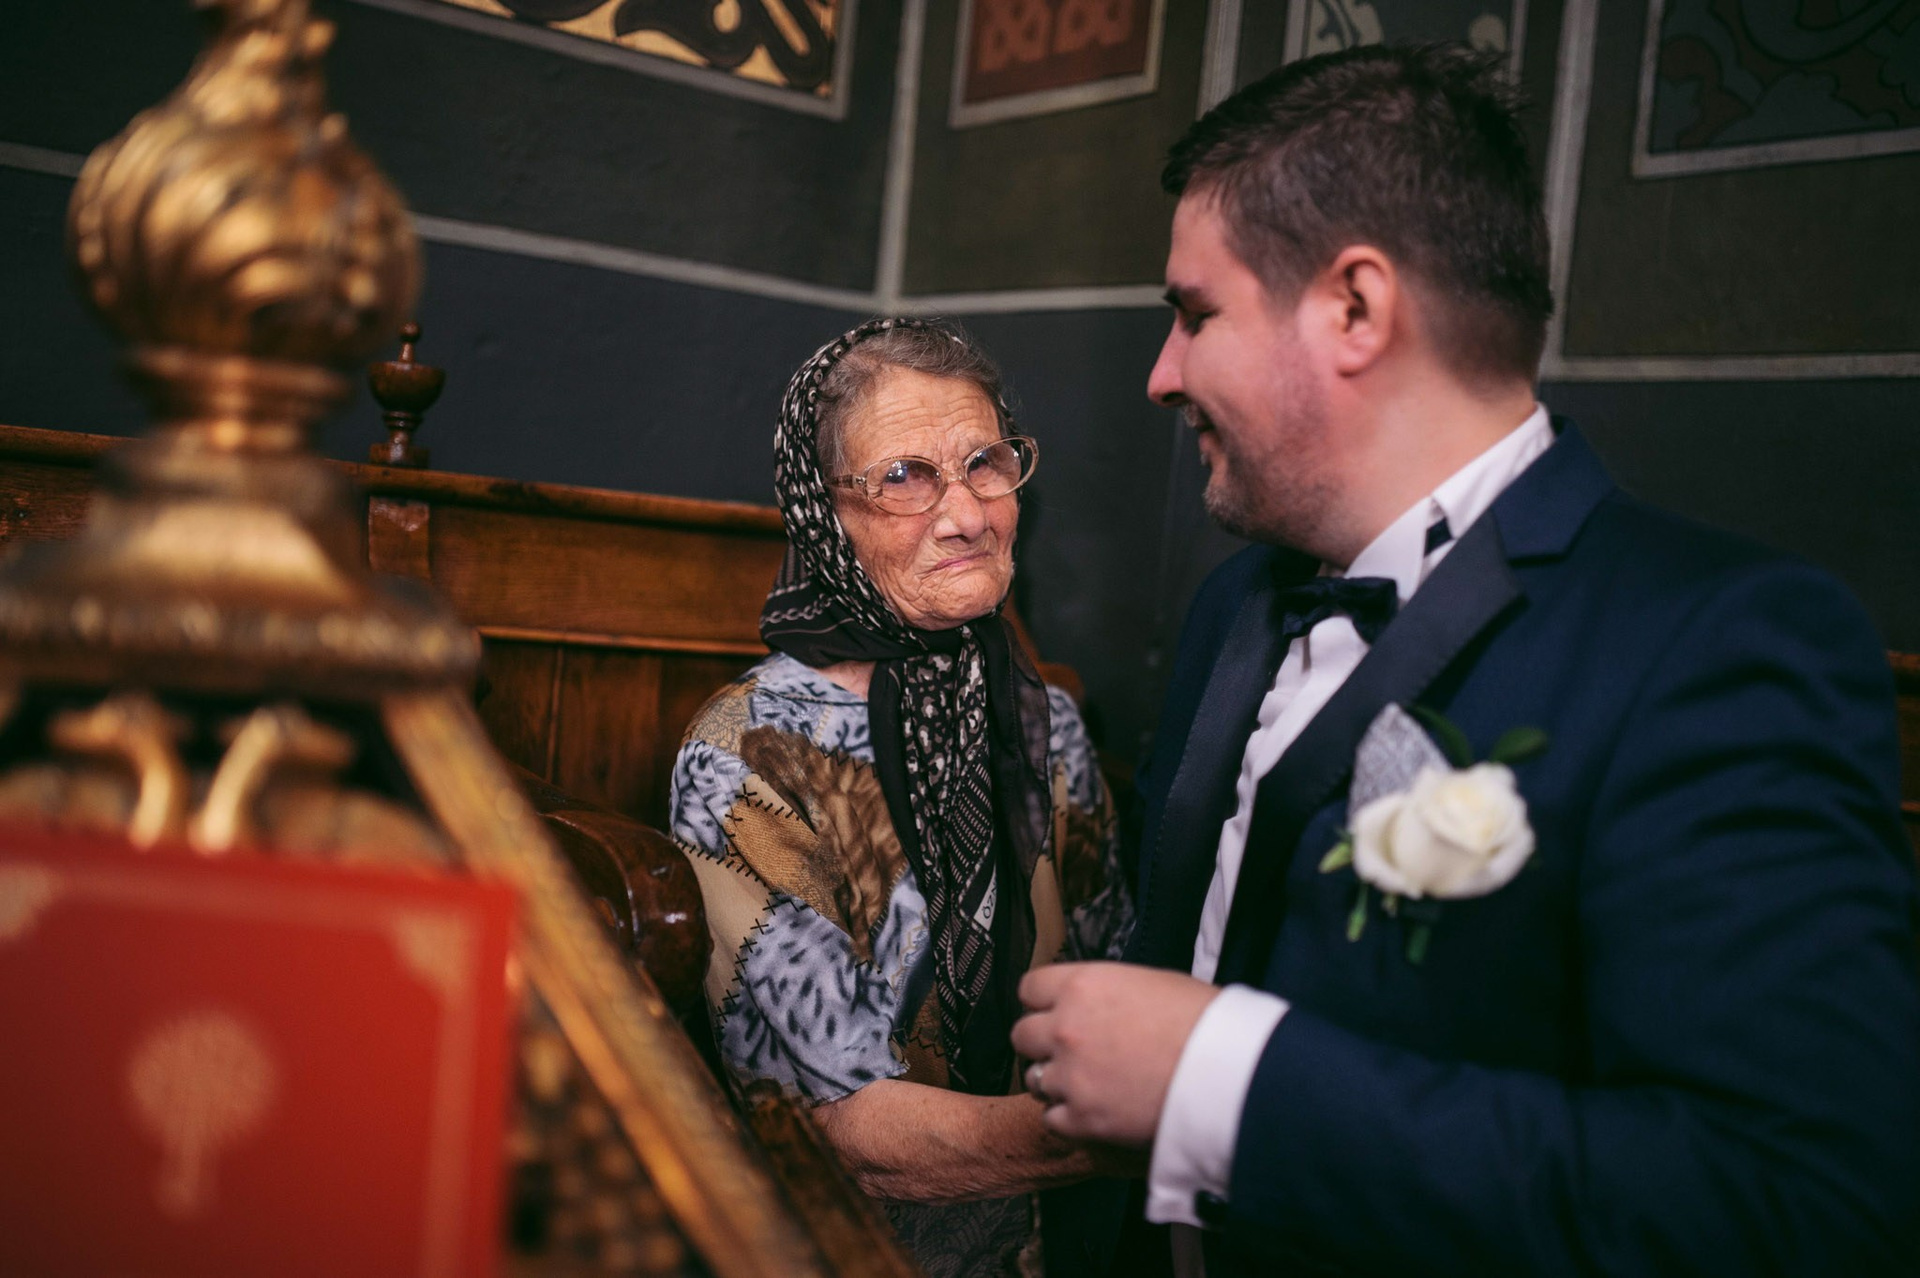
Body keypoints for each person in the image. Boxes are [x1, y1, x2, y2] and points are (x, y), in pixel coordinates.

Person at [1012, 44, 1920, 1276]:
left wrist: (1228, 1084)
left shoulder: (1718, 648)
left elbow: (1800, 1207)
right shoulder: (1237, 604)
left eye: (1195, 313)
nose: (1163, 376)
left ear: (1355, 308)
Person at [671, 317, 1136, 1276]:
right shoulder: (747, 758)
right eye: (903, 477)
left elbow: (1113, 976)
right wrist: (1152, 1132)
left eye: (985, 464)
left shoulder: (1044, 719)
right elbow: (841, 1128)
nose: (967, 515)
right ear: (824, 514)